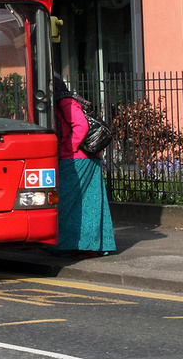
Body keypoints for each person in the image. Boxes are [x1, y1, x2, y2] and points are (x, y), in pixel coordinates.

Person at [50, 75, 116, 258]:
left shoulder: (64, 101)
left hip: (78, 158)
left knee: (70, 203)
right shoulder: (63, 101)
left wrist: (67, 148)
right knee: (87, 205)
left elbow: (80, 126)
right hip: (83, 159)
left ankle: (77, 245)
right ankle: (85, 245)